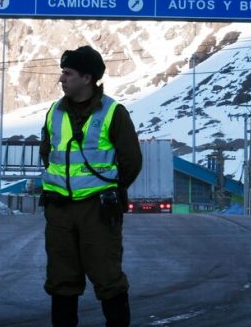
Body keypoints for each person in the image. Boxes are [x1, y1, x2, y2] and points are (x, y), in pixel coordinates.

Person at [40, 45, 142, 327]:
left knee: (108, 279)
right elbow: (48, 153)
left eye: (67, 73)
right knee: (61, 281)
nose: (61, 79)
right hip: (59, 211)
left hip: (98, 212)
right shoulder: (54, 112)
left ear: (87, 78)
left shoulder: (113, 113)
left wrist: (110, 192)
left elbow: (131, 161)